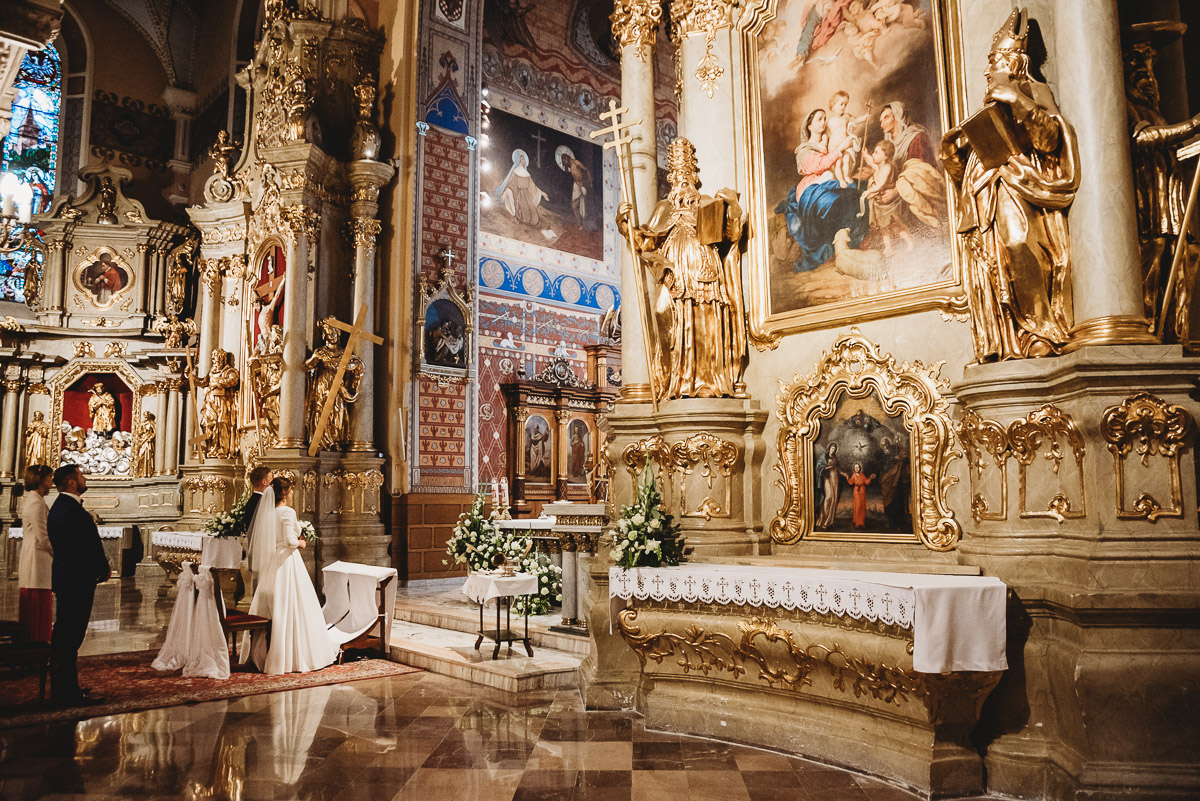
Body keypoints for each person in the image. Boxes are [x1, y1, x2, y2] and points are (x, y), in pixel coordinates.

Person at [939, 7, 1079, 361]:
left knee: (1019, 245)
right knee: (991, 261)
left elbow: (1050, 140)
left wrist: (1019, 101)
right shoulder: (989, 103)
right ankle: (1005, 341)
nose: (988, 71)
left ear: (1015, 65)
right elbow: (963, 173)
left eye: (996, 62)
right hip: (984, 190)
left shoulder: (1034, 91)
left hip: (1019, 182)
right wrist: (952, 153)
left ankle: (1040, 331)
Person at [244, 476, 338, 674]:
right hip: (286, 563)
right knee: (292, 604)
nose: (293, 493)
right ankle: (293, 656)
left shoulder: (270, 512)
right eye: (291, 490)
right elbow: (289, 540)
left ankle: (270, 651)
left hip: (273, 562)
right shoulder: (287, 512)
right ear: (285, 493)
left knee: (279, 605)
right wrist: (301, 543)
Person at [47, 464, 110, 705]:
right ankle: (66, 693)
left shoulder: (62, 507)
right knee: (70, 635)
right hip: (76, 579)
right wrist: (102, 567)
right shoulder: (71, 509)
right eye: (81, 476)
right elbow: (86, 545)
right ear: (72, 482)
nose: (84, 479)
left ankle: (66, 688)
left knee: (67, 634)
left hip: (69, 577)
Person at [776, 108, 867, 273]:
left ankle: (845, 244)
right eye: (819, 119)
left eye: (825, 118)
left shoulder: (830, 140)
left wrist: (849, 136)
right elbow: (819, 165)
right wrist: (839, 150)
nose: (823, 122)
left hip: (831, 181)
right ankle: (838, 248)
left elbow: (847, 152)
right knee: (832, 201)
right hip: (812, 189)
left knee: (856, 195)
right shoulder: (804, 150)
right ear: (809, 126)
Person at [18, 465, 54, 643]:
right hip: (36, 558)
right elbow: (42, 535)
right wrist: (58, 552)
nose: (51, 482)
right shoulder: (36, 502)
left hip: (36, 556)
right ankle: (36, 643)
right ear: (40, 480)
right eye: (49, 478)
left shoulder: (35, 500)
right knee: (37, 604)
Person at [858, 140, 913, 252]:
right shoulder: (878, 165)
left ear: (885, 156)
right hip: (880, 204)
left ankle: (910, 242)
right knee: (884, 228)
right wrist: (865, 155)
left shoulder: (887, 168)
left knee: (896, 226)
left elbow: (880, 185)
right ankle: (888, 248)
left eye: (876, 152)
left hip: (889, 204)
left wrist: (869, 192)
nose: (873, 154)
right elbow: (870, 161)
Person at [494, 149, 548, 227]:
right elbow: (511, 185)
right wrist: (506, 193)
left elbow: (533, 186)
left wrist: (543, 193)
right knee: (525, 217)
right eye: (522, 159)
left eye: (524, 159)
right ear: (518, 159)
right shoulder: (515, 172)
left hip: (528, 197)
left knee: (534, 218)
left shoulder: (527, 174)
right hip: (519, 197)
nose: (524, 160)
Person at [243, 465, 275, 591]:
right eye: (271, 478)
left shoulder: (252, 501)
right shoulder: (262, 502)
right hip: (263, 548)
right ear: (264, 482)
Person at [814, 442, 842, 529]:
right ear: (829, 448)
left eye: (834, 449)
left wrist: (843, 473)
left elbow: (838, 468)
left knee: (834, 498)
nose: (833, 450)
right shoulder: (824, 457)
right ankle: (823, 518)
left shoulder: (835, 458)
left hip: (835, 478)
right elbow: (818, 466)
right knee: (828, 497)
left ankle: (828, 521)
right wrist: (826, 468)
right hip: (827, 477)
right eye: (832, 448)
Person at [843, 462, 876, 529]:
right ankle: (857, 522)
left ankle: (862, 522)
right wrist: (847, 477)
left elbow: (866, 482)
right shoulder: (854, 475)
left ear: (860, 468)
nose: (857, 468)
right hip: (856, 491)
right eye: (855, 467)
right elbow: (851, 482)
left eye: (858, 467)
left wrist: (870, 478)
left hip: (862, 490)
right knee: (858, 506)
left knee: (863, 506)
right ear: (854, 468)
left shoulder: (862, 475)